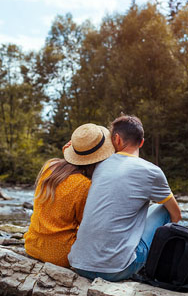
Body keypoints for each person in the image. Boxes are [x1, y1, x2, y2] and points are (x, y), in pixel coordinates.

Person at [68, 115, 182, 281]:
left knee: (145, 210)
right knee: (163, 209)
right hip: (116, 271)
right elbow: (177, 216)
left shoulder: (99, 166)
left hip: (79, 264)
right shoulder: (152, 171)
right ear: (141, 142)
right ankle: (161, 270)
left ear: (116, 139)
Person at [24, 123, 115, 267]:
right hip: (61, 255)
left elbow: (68, 172)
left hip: (32, 245)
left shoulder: (50, 166)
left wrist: (73, 154)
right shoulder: (84, 185)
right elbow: (84, 226)